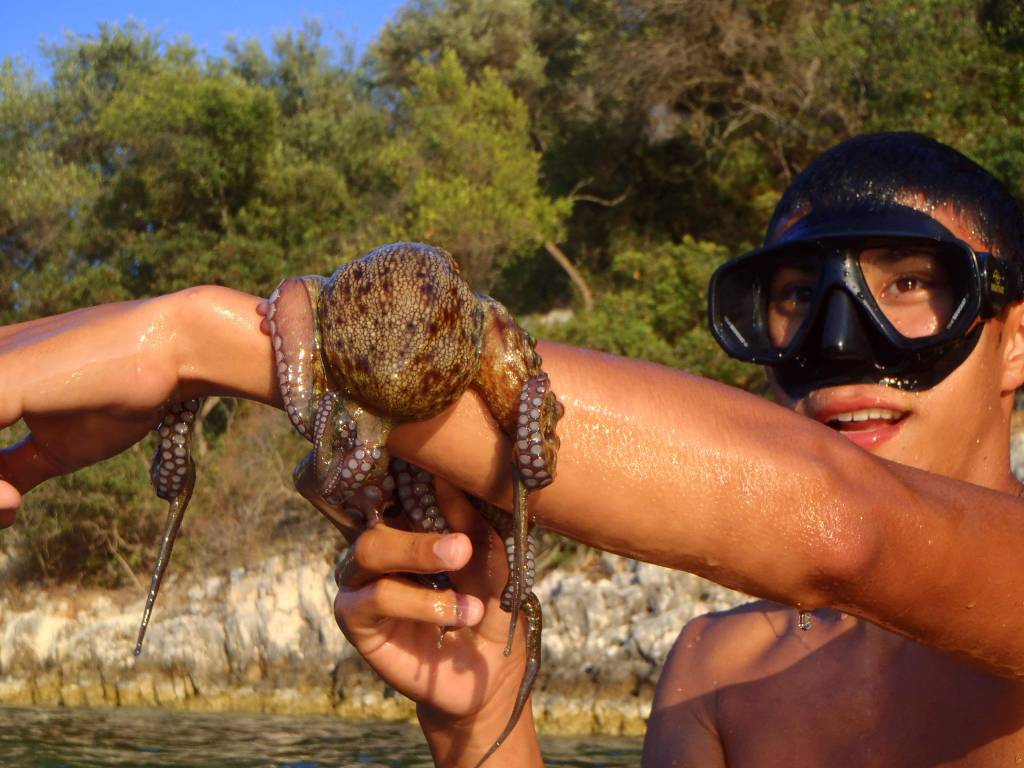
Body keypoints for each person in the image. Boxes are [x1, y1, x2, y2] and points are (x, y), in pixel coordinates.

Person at [0, 132, 1021, 765]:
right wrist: (479, 717)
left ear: (1014, 338)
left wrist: (214, 337)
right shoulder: (717, 673)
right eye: (799, 300)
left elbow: (842, 528)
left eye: (909, 285)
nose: (844, 346)